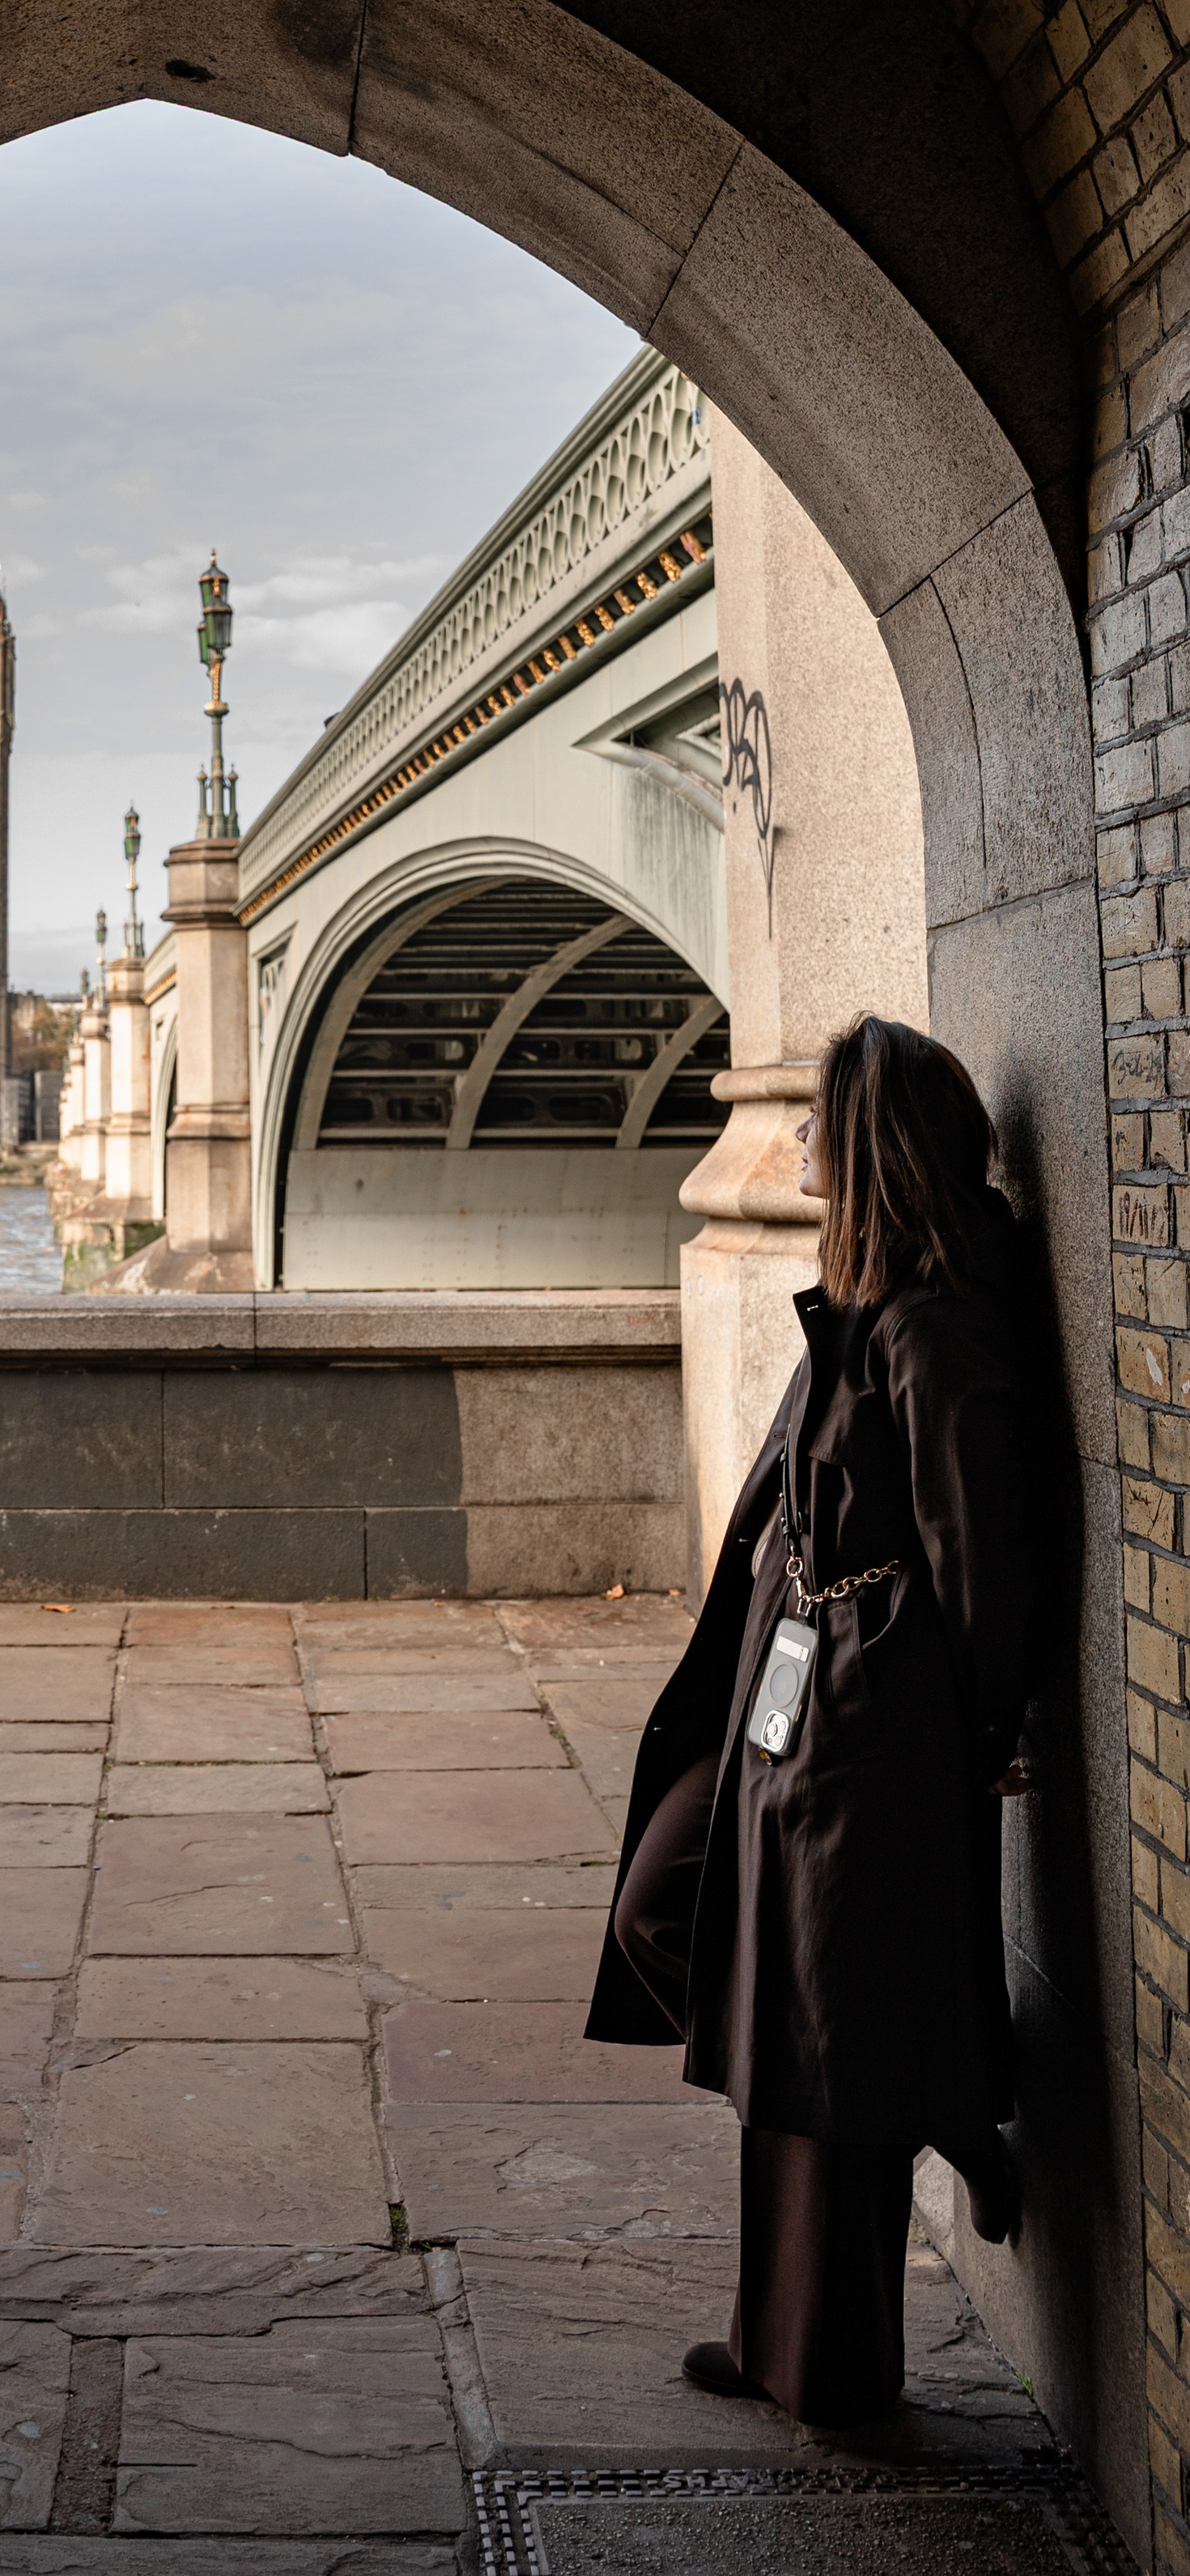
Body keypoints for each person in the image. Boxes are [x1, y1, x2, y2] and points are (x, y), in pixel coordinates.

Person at [584, 1013, 1042, 2428]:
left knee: (817, 2031)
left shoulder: (931, 1326)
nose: (793, 1142)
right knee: (679, 1919)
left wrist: (962, 1743)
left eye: (818, 1123)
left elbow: (985, 1571)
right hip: (787, 1708)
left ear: (872, 1149)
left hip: (864, 1732)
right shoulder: (862, 1300)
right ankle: (938, 2104)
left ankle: (823, 2366)